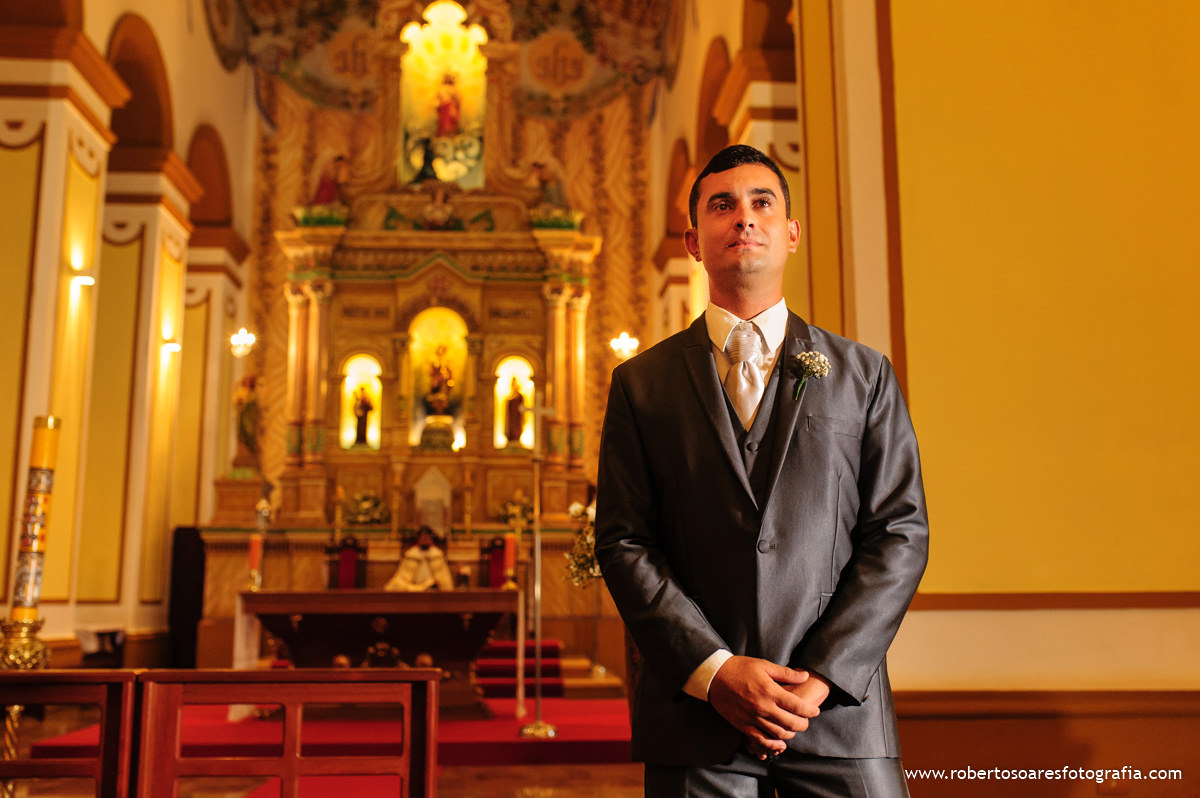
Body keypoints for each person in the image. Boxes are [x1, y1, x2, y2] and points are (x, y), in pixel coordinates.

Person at [595, 144, 928, 798]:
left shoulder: (863, 376)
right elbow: (625, 540)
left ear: (791, 233)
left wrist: (821, 679)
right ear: (694, 241)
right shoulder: (642, 385)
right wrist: (714, 670)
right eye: (722, 205)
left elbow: (899, 533)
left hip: (838, 716)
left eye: (761, 202)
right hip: (697, 717)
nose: (743, 217)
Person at [385, 526, 454, 592]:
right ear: (418, 540)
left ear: (431, 540)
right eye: (423, 538)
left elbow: (443, 576)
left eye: (427, 538)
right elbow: (403, 575)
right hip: (412, 587)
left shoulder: (437, 555)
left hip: (433, 588)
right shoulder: (411, 554)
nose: (425, 540)